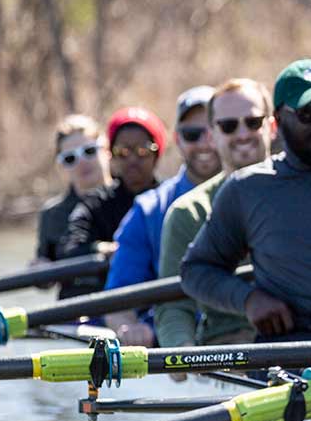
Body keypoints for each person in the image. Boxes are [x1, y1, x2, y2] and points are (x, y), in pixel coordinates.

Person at [181, 59, 311, 343]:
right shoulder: (246, 188)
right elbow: (196, 270)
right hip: (291, 350)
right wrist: (249, 299)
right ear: (278, 121)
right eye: (308, 112)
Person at [156, 78, 273, 349]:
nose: (242, 134)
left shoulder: (303, 194)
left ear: (272, 126)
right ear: (211, 136)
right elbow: (174, 305)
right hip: (226, 350)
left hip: (305, 344)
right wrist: (183, 353)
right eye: (229, 125)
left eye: (253, 122)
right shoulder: (188, 212)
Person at [103, 86, 220, 346]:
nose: (204, 143)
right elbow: (117, 302)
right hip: (177, 346)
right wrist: (131, 330)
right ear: (177, 139)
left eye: (213, 131)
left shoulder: (257, 195)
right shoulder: (149, 209)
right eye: (192, 134)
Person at [58, 106, 166, 292]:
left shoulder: (172, 200)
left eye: (142, 150)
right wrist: (107, 249)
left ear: (156, 154)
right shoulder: (95, 203)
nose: (132, 159)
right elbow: (70, 247)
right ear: (111, 155)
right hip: (113, 298)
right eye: (123, 151)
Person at [34, 114, 112, 299]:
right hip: (74, 308)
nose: (82, 162)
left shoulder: (134, 199)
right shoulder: (52, 214)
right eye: (70, 158)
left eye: (89, 151)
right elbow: (45, 272)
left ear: (106, 150)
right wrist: (39, 272)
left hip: (127, 303)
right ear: (61, 166)